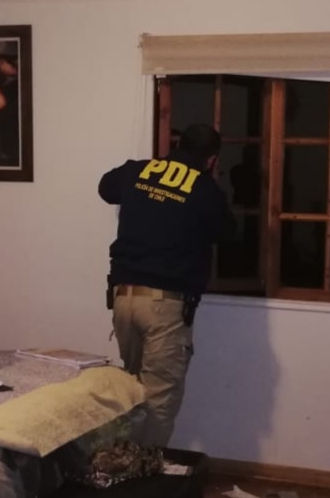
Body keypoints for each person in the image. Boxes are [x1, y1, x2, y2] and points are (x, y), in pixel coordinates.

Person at [98, 123, 234, 447]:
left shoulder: (139, 170)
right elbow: (228, 234)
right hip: (164, 307)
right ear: (211, 160)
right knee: (158, 401)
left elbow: (106, 188)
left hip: (124, 300)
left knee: (133, 392)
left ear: (177, 145)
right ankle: (145, 470)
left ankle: (124, 463)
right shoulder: (203, 188)